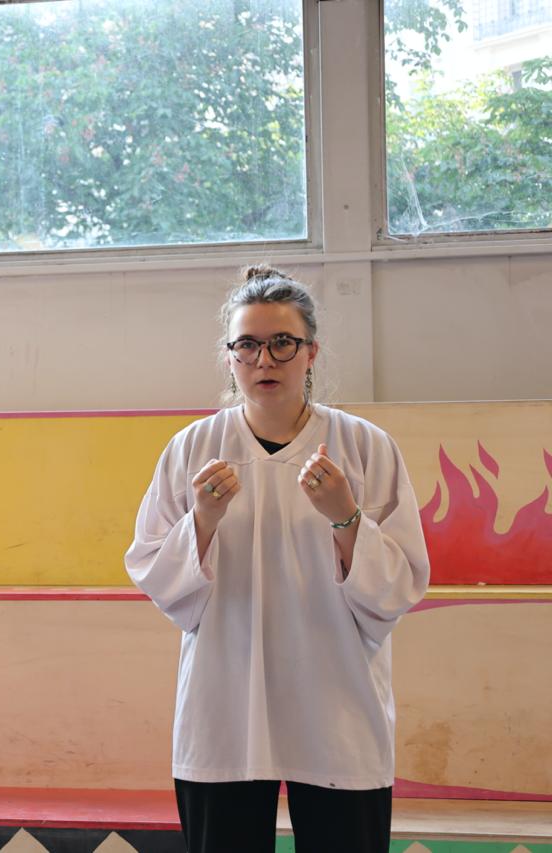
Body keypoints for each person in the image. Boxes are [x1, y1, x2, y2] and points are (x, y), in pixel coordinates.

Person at [124, 266, 430, 852]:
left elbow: (399, 587)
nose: (265, 360)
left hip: (338, 702)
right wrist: (202, 522)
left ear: (311, 352)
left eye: (282, 343)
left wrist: (345, 516)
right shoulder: (193, 448)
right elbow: (154, 573)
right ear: (229, 357)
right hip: (226, 703)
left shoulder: (364, 446)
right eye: (247, 344)